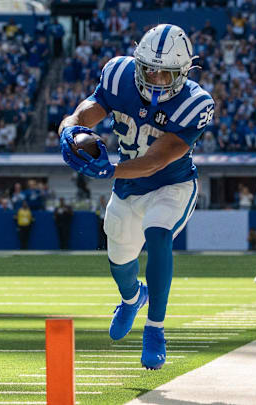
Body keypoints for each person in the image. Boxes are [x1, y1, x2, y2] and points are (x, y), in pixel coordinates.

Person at [58, 24, 214, 369]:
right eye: (150, 69)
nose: (156, 78)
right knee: (119, 261)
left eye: (166, 73)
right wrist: (70, 128)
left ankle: (155, 330)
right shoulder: (118, 74)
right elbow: (88, 111)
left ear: (185, 72)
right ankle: (132, 298)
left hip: (171, 184)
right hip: (128, 189)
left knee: (158, 234)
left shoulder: (195, 103)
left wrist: (107, 170)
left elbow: (155, 161)